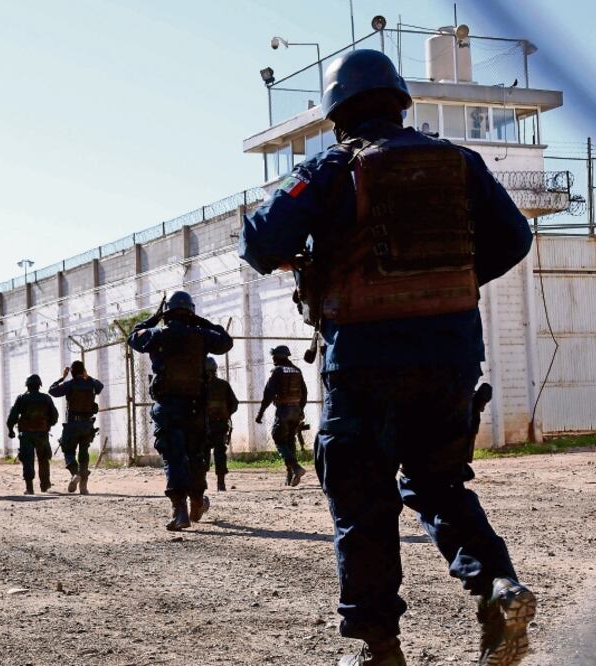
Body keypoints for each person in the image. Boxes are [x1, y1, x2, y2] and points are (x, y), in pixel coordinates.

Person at [239, 49, 536, 666]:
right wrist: (449, 288)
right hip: (450, 357)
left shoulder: (331, 166)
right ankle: (497, 587)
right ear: (401, 102)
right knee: (439, 483)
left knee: (363, 502)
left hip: (363, 361)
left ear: (336, 114)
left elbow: (261, 242)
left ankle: (379, 648)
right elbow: (514, 238)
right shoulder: (461, 162)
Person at [127, 291, 233, 531]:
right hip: (195, 407)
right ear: (191, 312)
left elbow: (133, 337)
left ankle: (180, 511)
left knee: (174, 456)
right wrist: (201, 321)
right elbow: (226, 341)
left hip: (167, 406)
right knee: (196, 455)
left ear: (167, 313)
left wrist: (154, 318)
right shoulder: (202, 334)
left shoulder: (157, 334)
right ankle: (197, 501)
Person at [255, 346, 309, 487]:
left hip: (283, 410)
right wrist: (301, 410)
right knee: (290, 440)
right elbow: (304, 392)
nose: (273, 359)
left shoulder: (277, 371)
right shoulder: (297, 370)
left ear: (278, 357)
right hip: (296, 410)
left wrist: (260, 413)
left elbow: (269, 394)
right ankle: (290, 475)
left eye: (274, 356)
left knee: (278, 438)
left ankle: (295, 468)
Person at [49, 361, 103, 495]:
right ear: (83, 371)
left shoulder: (70, 384)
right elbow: (100, 386)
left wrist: (62, 377)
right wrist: (87, 376)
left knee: (68, 450)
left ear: (72, 373)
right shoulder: (91, 383)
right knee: (84, 453)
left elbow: (52, 390)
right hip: (87, 425)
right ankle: (83, 486)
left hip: (72, 425)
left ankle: (75, 473)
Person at [6, 374, 59, 495]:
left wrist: (10, 429)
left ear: (27, 386)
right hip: (42, 434)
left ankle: (29, 488)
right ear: (39, 385)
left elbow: (13, 416)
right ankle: (44, 485)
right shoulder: (46, 398)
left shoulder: (21, 398)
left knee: (27, 460)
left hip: (26, 435)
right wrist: (48, 425)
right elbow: (54, 416)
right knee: (43, 459)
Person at [203, 356, 239, 492]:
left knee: (202, 454)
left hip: (203, 426)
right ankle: (221, 484)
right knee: (219, 453)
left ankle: (202, 483)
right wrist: (225, 415)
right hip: (219, 425)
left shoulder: (198, 386)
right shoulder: (223, 385)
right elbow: (234, 404)